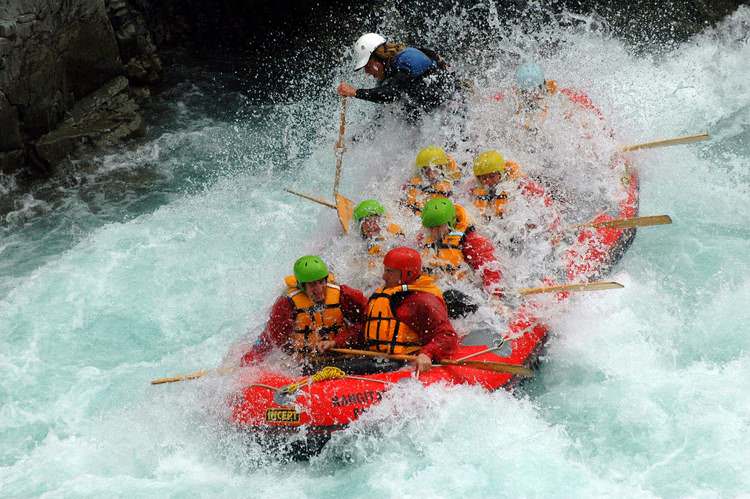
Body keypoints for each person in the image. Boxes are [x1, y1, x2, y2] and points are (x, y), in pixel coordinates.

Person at [240, 256, 367, 366]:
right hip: (307, 361)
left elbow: (365, 323)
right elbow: (271, 338)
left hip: (343, 354)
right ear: (302, 286)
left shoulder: (343, 294)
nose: (318, 290)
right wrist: (250, 359)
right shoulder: (287, 304)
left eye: (321, 282)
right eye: (312, 285)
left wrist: (336, 341)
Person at [360, 246, 459, 373]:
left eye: (390, 272)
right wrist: (336, 341)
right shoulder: (384, 294)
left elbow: (448, 336)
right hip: (380, 358)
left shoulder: (423, 301)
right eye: (385, 270)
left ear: (408, 274)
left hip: (405, 361)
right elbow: (365, 326)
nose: (384, 277)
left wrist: (427, 354)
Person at [337, 33, 458, 122]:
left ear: (378, 58)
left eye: (367, 66)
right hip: (433, 115)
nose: (367, 72)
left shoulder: (408, 59)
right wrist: (355, 142)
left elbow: (392, 94)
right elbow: (380, 120)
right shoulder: (388, 77)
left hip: (454, 109)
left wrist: (354, 92)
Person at [419, 198, 503, 298]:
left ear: (450, 223)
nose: (433, 232)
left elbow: (491, 269)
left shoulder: (472, 241)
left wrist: (495, 296)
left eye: (438, 227)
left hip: (464, 291)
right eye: (430, 228)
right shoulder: (424, 237)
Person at [469, 149, 552, 221]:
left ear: (500, 173)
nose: (488, 181)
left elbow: (541, 198)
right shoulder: (475, 186)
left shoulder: (517, 183)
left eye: (492, 176)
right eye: (483, 178)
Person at [401, 145, 462, 214]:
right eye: (426, 169)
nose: (431, 174)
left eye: (435, 168)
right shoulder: (411, 185)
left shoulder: (450, 184)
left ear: (442, 168)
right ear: (421, 170)